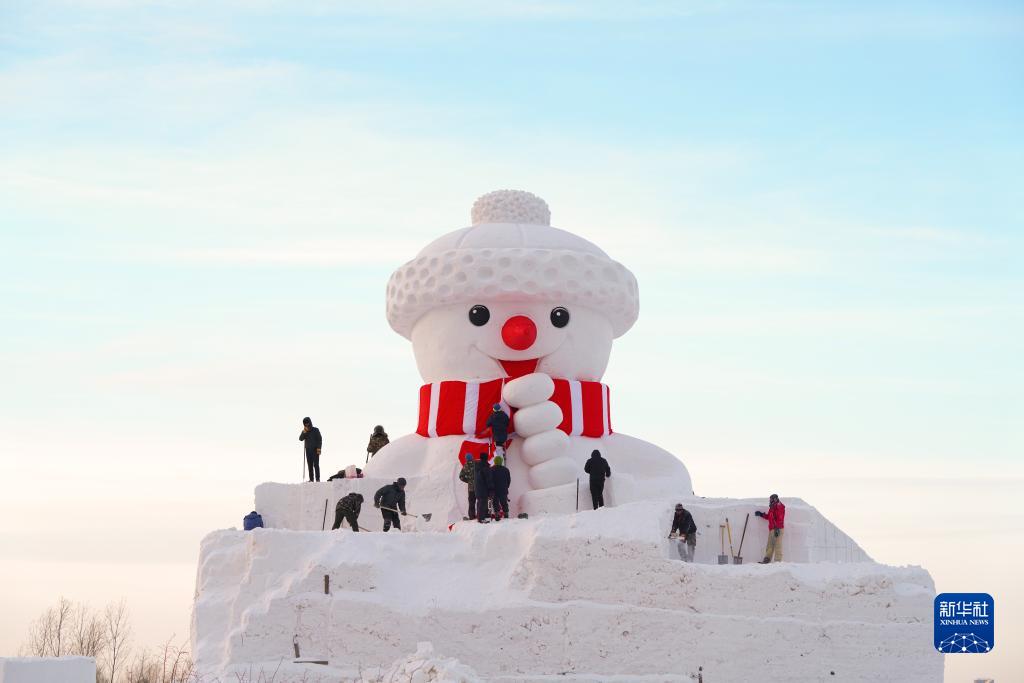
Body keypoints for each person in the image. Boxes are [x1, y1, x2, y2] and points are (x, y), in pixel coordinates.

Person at [755, 494, 786, 563]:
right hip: (772, 529)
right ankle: (767, 560)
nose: (770, 501)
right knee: (769, 545)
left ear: (775, 499)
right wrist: (761, 514)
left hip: (778, 529)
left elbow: (780, 518)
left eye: (771, 499)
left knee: (778, 545)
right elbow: (769, 517)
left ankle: (778, 561)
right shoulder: (772, 508)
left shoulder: (779, 506)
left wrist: (777, 528)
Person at [299, 417, 322, 482]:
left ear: (310, 422)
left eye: (308, 423)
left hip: (315, 450)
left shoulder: (316, 430)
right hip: (308, 450)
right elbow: (300, 439)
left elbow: (319, 439)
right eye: (305, 424)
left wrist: (319, 448)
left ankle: (317, 479)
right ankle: (311, 479)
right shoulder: (305, 431)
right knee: (310, 465)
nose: (307, 425)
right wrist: (304, 432)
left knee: (316, 465)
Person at [474, 455, 494, 523]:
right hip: (483, 488)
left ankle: (480, 517)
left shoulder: (477, 466)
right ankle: (481, 519)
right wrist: (491, 489)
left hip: (477, 488)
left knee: (480, 503)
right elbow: (488, 479)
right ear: (486, 458)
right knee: (482, 503)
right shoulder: (485, 467)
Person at [491, 455, 511, 521]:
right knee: (504, 502)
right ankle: (506, 514)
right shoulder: (506, 470)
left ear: (495, 461)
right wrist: (506, 487)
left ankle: (497, 514)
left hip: (494, 490)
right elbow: (509, 480)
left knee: (495, 502)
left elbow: (489, 480)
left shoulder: (491, 469)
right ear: (501, 461)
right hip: (503, 489)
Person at [459, 453, 478, 520]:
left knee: (471, 502)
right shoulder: (476, 463)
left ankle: (472, 516)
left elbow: (461, 477)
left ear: (466, 459)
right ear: (472, 457)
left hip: (471, 488)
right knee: (480, 501)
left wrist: (468, 481)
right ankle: (480, 515)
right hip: (478, 487)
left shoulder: (466, 466)